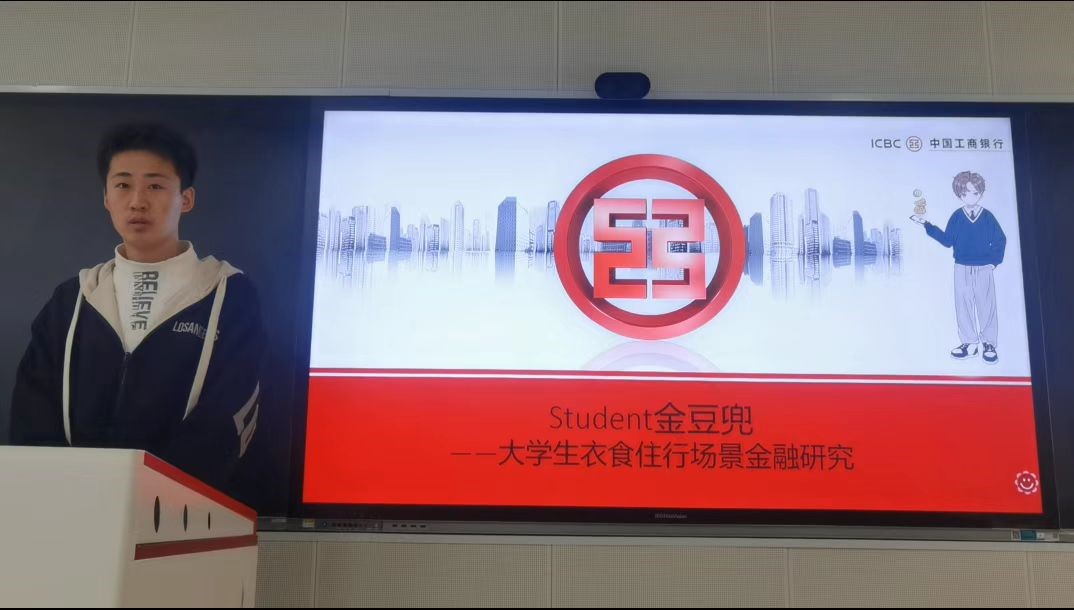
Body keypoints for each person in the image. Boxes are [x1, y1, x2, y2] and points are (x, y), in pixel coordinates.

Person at [10, 123, 264, 492]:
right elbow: (32, 411)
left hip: (181, 510)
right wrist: (67, 491)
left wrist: (151, 496)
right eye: (123, 185)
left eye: (156, 186)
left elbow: (230, 413)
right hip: (71, 505)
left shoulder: (227, 294)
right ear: (106, 198)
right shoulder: (73, 299)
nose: (137, 201)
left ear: (186, 199)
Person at [914, 170, 1006, 364]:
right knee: (963, 306)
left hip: (984, 268)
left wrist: (993, 262)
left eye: (975, 193)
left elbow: (1000, 239)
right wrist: (927, 225)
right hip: (961, 267)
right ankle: (969, 343)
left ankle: (989, 344)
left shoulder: (987, 216)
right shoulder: (957, 216)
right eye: (965, 193)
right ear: (959, 194)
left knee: (986, 305)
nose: (970, 197)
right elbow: (947, 240)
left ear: (981, 193)